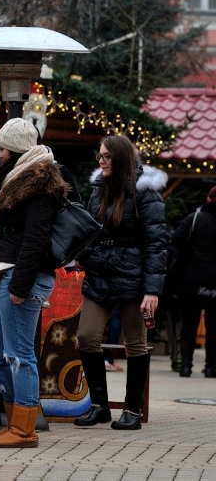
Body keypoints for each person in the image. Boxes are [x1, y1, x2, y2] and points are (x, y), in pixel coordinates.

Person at [0, 117, 69, 448]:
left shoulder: (39, 185)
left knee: (19, 355)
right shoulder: (18, 177)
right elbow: (18, 231)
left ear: (15, 150)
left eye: (3, 148)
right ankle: (15, 420)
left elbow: (36, 238)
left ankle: (24, 429)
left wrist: (20, 286)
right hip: (6, 268)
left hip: (21, 276)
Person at [74, 134, 167, 430]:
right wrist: (83, 256)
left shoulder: (146, 193)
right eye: (99, 156)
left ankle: (132, 411)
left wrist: (152, 290)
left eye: (106, 156)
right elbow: (88, 230)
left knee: (135, 344)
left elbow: (156, 245)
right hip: (100, 273)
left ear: (121, 158)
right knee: (87, 336)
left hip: (133, 277)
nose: (101, 161)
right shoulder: (98, 190)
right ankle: (99, 406)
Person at [171, 185, 216, 378]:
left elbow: (176, 240)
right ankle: (211, 367)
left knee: (189, 325)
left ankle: (186, 366)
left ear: (208, 199)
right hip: (214, 281)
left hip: (191, 279)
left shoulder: (194, 219)